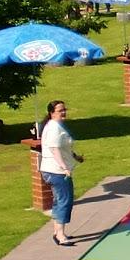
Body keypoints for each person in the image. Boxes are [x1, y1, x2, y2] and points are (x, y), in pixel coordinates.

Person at [39, 100, 84, 246]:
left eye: (64, 109)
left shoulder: (56, 126)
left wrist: (75, 156)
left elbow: (63, 146)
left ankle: (56, 231)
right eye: (60, 110)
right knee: (65, 201)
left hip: (53, 170)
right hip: (56, 172)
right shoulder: (53, 128)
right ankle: (60, 235)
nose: (64, 112)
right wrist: (64, 168)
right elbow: (54, 149)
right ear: (52, 113)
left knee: (59, 201)